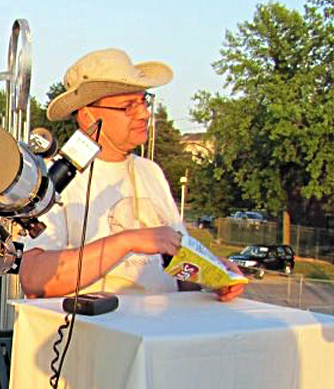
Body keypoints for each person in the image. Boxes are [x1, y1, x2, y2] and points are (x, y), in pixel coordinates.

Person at [19, 48, 244, 303]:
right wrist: (127, 242)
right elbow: (34, 279)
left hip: (158, 334)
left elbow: (179, 267)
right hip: (94, 338)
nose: (145, 113)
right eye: (128, 106)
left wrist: (213, 275)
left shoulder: (151, 172)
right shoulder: (55, 179)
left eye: (143, 101)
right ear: (88, 115)